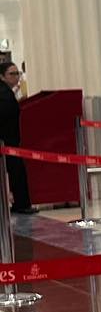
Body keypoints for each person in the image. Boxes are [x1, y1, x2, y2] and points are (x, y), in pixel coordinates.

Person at [0, 59, 33, 214]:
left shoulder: (6, 92)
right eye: (11, 74)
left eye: (17, 73)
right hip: (7, 141)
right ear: (2, 76)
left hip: (8, 140)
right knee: (16, 171)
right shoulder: (4, 94)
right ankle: (21, 204)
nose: (16, 77)